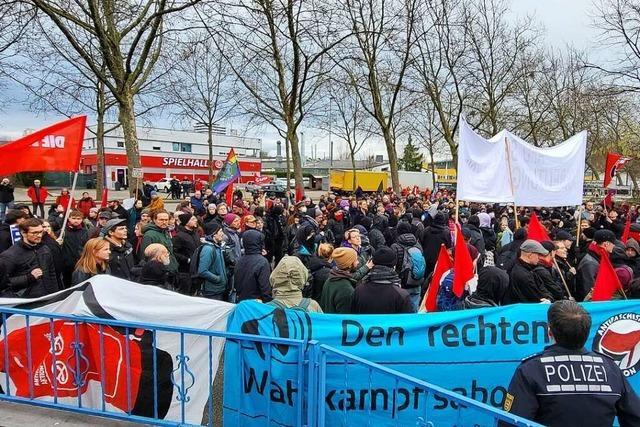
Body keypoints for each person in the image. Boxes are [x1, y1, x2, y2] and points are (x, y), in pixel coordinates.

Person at [502, 300, 640, 427]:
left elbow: (512, 422)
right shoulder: (610, 368)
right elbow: (635, 418)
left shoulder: (531, 369)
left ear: (549, 331)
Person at [0, 218, 60, 297]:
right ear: (23, 233)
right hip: (25, 301)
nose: (39, 235)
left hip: (46, 297)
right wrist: (28, 278)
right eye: (35, 233)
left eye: (41, 232)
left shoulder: (44, 249)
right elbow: (3, 283)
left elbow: (52, 273)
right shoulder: (10, 255)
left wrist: (55, 295)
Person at [352, 246, 413, 314]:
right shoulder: (401, 295)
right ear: (394, 266)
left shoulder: (358, 291)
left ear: (372, 264)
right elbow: (408, 321)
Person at [391, 221, 425, 311]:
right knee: (414, 310)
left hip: (402, 283)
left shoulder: (395, 246)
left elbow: (393, 264)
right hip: (416, 281)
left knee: (401, 311)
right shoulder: (417, 245)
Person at [507, 239, 553, 304]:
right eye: (538, 254)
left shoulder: (527, 269)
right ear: (530, 255)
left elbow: (542, 289)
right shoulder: (524, 275)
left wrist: (548, 297)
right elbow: (538, 298)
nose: (540, 258)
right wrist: (548, 298)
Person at [576, 229, 615, 302]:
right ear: (606, 244)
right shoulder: (590, 263)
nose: (614, 245)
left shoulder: (600, 257)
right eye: (613, 243)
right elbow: (589, 289)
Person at [198, 222, 234, 300]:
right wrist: (218, 279)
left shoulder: (217, 247)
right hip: (212, 291)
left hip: (219, 289)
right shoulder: (208, 249)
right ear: (214, 234)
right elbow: (202, 271)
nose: (222, 234)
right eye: (220, 231)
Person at [140, 209, 178, 283]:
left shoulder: (165, 232)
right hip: (161, 274)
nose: (164, 222)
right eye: (161, 220)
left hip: (171, 271)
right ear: (154, 220)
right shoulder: (149, 235)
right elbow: (146, 257)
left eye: (166, 220)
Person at [234, 229, 272, 302]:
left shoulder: (240, 260)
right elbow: (265, 288)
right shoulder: (262, 262)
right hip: (257, 303)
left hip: (242, 301)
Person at [320, 247, 358, 314]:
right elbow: (345, 318)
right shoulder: (346, 290)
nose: (358, 262)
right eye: (356, 260)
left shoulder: (330, 279)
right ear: (349, 264)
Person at [172, 214, 201, 294]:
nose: (195, 221)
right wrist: (187, 260)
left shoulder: (195, 234)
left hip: (195, 270)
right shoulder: (179, 236)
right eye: (192, 219)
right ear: (186, 222)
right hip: (184, 271)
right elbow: (174, 252)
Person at [60, 210, 89, 287]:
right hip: (67, 264)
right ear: (69, 218)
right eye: (74, 218)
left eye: (79, 218)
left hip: (81, 263)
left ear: (82, 219)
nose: (76, 220)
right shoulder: (62, 232)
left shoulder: (85, 232)